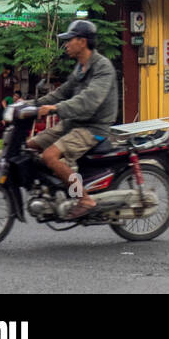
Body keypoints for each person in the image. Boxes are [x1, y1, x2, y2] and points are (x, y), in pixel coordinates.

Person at [26, 16, 118, 220]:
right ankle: (52, 188)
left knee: (50, 156)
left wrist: (54, 109)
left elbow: (89, 100)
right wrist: (30, 105)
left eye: (70, 40)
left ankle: (84, 198)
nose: (66, 44)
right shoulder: (79, 68)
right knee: (30, 145)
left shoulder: (102, 67)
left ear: (82, 42)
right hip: (73, 124)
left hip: (93, 128)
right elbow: (60, 93)